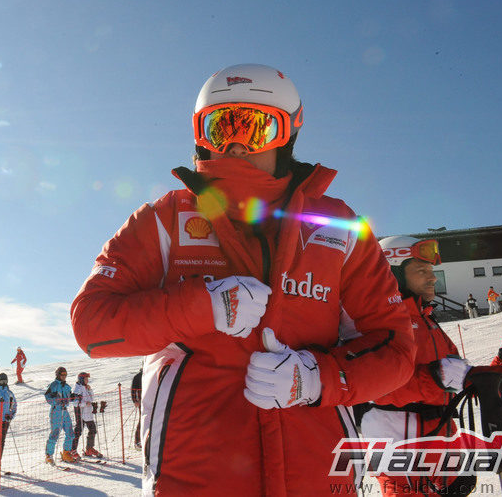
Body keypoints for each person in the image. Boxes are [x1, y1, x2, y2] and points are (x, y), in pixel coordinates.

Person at [71, 64, 417, 495]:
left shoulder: (339, 226)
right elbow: (92, 326)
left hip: (318, 477)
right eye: (219, 128)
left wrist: (315, 378)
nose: (235, 143)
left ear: (287, 134)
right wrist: (200, 306)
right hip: (194, 478)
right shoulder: (163, 219)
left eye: (253, 127)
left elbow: (395, 348)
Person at [359, 236, 476, 496]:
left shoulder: (428, 320)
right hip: (398, 438)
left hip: (438, 438)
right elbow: (368, 385)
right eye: (421, 270)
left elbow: (454, 375)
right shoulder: (375, 320)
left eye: (431, 271)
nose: (432, 278)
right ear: (393, 275)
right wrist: (434, 378)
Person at [44, 366, 77, 464]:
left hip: (65, 411)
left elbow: (69, 397)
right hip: (56, 411)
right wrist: (56, 401)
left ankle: (66, 453)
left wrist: (75, 397)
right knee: (55, 434)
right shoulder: (53, 385)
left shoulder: (67, 386)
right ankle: (48, 455)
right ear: (58, 375)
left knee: (70, 433)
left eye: (65, 375)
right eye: (62, 374)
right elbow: (47, 397)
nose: (64, 376)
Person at [72, 371, 101, 458]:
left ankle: (89, 449)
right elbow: (75, 402)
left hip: (88, 413)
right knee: (78, 431)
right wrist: (84, 404)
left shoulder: (85, 387)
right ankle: (72, 450)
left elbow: (91, 398)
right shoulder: (76, 388)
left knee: (93, 429)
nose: (87, 380)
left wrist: (90, 390)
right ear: (81, 379)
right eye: (85, 379)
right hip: (80, 412)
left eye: (87, 379)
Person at [130, 369, 142, 450]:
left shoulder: (151, 373)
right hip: (142, 401)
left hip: (152, 400)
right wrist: (135, 401)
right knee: (143, 420)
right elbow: (133, 390)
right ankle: (137, 442)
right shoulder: (138, 377)